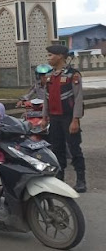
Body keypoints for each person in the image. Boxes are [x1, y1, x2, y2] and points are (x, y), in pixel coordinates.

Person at [42, 45, 86, 193]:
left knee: (74, 149)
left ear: (60, 56)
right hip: (54, 119)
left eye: (50, 55)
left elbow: (78, 98)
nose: (48, 58)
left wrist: (75, 120)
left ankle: (81, 180)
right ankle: (60, 180)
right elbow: (46, 98)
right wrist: (44, 117)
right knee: (57, 150)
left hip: (69, 118)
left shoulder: (73, 75)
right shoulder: (49, 76)